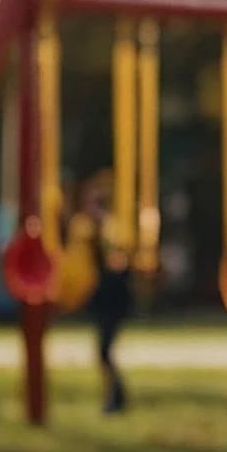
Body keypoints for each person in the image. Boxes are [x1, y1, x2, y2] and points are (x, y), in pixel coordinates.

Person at [81, 174, 132, 415]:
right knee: (103, 351)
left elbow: (118, 261)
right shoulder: (92, 231)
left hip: (113, 298)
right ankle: (115, 396)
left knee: (104, 350)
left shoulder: (110, 230)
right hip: (104, 297)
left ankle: (116, 396)